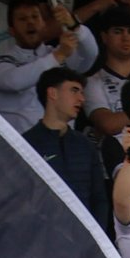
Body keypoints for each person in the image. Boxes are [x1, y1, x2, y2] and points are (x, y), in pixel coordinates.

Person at [0, 0, 98, 131]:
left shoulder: (58, 53)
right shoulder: (0, 63)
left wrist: (74, 26)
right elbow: (14, 82)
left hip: (60, 144)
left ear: (44, 24)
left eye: (35, 17)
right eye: (22, 19)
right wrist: (58, 56)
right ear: (11, 30)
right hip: (18, 147)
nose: (30, 22)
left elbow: (89, 56)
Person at [22, 68, 107, 224]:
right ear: (52, 93)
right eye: (74, 91)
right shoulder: (26, 144)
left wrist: (97, 236)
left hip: (84, 241)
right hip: (42, 241)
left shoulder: (85, 145)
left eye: (82, 92)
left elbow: (99, 198)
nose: (81, 99)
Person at [82, 5, 130, 138]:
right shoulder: (92, 82)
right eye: (118, 31)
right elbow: (108, 124)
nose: (125, 37)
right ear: (104, 37)